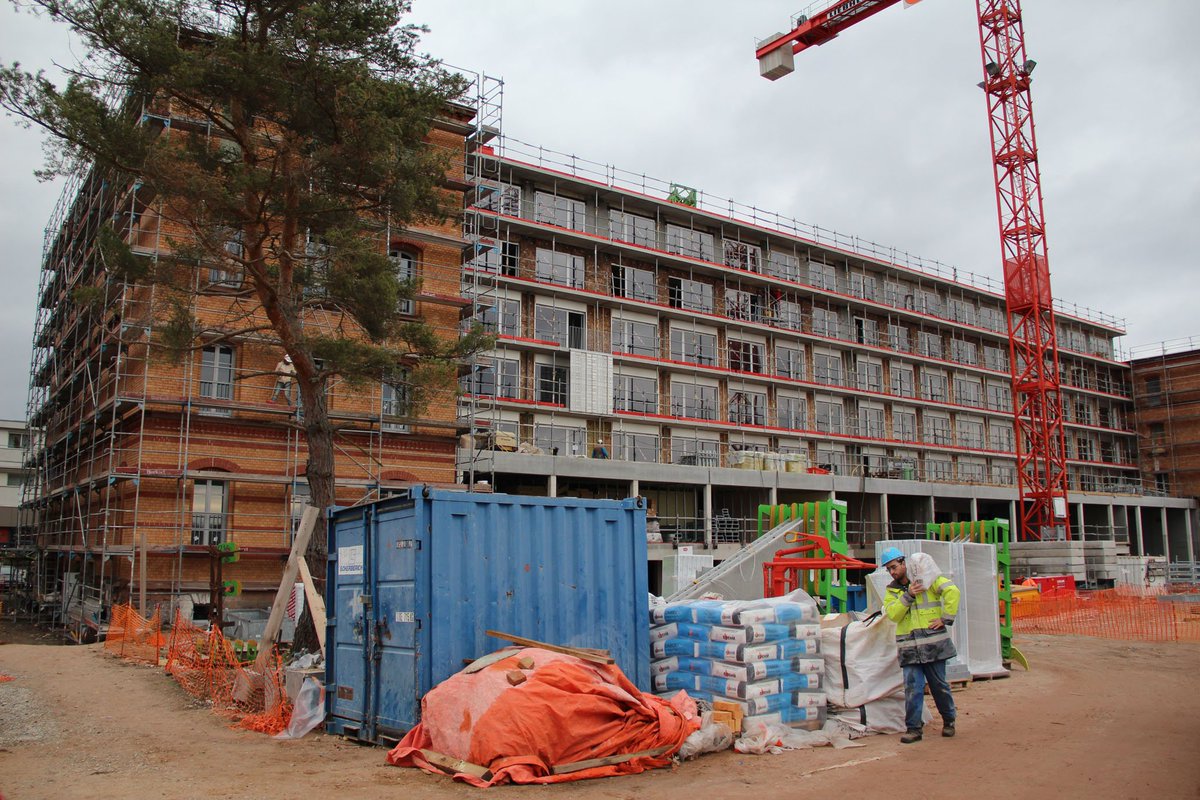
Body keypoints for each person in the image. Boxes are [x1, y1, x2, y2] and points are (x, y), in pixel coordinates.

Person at [881, 547, 960, 743]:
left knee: (939, 686)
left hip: (932, 645)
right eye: (888, 569)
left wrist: (946, 618)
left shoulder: (927, 579)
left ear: (903, 563)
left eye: (894, 567)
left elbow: (952, 591)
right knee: (912, 688)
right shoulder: (892, 591)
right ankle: (914, 728)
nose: (892, 572)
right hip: (909, 648)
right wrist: (908, 595)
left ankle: (949, 721)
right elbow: (893, 614)